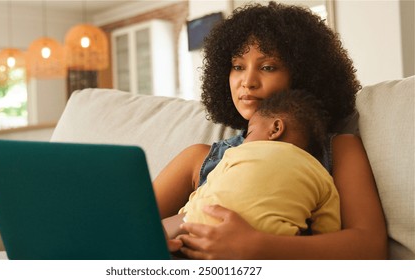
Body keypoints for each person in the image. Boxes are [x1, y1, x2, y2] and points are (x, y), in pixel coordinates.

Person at [153, 1, 387, 259]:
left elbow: (370, 246)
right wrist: (181, 226)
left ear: (302, 75)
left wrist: (257, 246)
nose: (248, 82)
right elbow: (123, 229)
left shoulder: (338, 149)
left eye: (267, 67)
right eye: (238, 67)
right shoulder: (197, 159)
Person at [178, 89, 341, 237]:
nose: (244, 141)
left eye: (249, 133)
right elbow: (329, 233)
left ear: (276, 129)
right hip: (277, 244)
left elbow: (206, 191)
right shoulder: (322, 176)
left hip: (200, 232)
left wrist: (186, 213)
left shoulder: (237, 152)